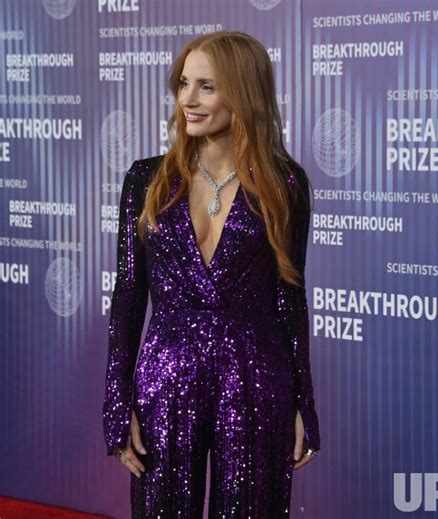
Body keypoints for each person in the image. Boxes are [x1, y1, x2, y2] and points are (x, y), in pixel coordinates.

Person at [102, 30, 321, 518]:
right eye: (183, 83)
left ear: (244, 92)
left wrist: (304, 402)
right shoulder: (147, 180)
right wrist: (118, 401)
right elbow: (128, 298)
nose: (187, 100)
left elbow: (290, 298)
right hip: (166, 375)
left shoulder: (284, 184)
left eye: (206, 86)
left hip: (255, 378)